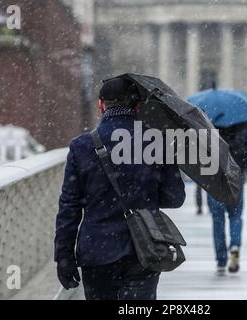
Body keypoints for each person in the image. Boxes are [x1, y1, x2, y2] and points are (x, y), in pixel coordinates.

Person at [54, 78, 186, 300]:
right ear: (137, 107)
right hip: (144, 248)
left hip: (96, 250)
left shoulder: (82, 146)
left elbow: (69, 208)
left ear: (101, 105)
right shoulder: (156, 142)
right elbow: (175, 197)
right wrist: (145, 194)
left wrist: (64, 256)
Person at [207, 123, 247, 275]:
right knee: (235, 214)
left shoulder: (208, 122)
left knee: (217, 218)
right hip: (236, 173)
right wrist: (243, 166)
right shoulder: (244, 125)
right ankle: (235, 246)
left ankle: (221, 260)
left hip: (213, 175)